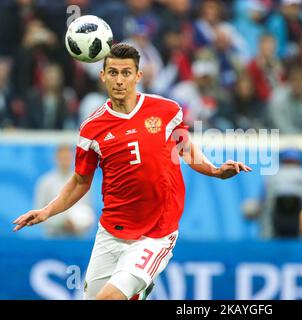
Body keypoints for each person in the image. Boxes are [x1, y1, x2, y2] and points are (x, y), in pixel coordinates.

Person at [13, 43, 251, 300]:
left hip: (156, 233)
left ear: (138, 76)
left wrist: (215, 171)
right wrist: (47, 211)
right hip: (112, 231)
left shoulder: (166, 110)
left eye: (126, 73)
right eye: (112, 73)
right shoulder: (91, 129)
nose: (119, 80)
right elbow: (81, 181)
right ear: (103, 76)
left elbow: (184, 149)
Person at [34, 144, 95, 237]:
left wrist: (77, 223)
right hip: (54, 237)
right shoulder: (45, 182)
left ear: (72, 159)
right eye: (62, 158)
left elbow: (87, 210)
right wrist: (62, 223)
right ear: (56, 158)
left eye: (67, 158)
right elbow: (38, 211)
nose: (64, 161)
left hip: (77, 237)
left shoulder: (82, 181)